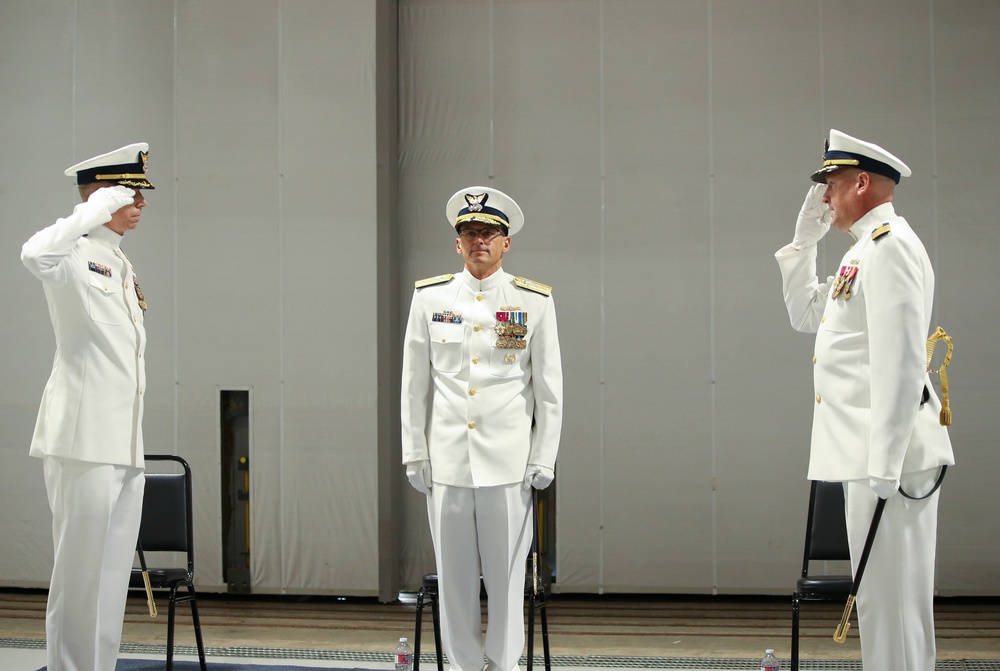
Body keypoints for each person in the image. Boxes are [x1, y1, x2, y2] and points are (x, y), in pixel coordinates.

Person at [775, 130, 955, 670]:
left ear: (861, 181)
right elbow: (806, 315)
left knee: (898, 605)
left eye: (830, 184)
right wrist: (803, 243)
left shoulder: (891, 248)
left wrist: (885, 463)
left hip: (892, 460)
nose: (824, 197)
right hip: (871, 455)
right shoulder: (862, 253)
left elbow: (902, 364)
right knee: (880, 603)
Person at [401, 186, 563, 671]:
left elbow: (549, 389)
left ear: (505, 242)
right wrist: (415, 451)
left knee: (509, 577)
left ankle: (504, 665)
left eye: (489, 233)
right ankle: (465, 666)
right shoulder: (429, 297)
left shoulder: (533, 301)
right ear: (457, 243)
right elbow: (414, 384)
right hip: (448, 461)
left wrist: (543, 456)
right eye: (470, 233)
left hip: (509, 464)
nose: (479, 242)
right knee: (454, 579)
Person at [21, 143, 154, 671]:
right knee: (78, 576)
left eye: (142, 194)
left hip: (123, 442)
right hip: (82, 439)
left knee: (108, 577)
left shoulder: (117, 260)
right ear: (103, 196)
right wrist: (90, 210)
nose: (141, 204)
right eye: (131, 193)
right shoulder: (72, 252)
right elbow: (34, 254)